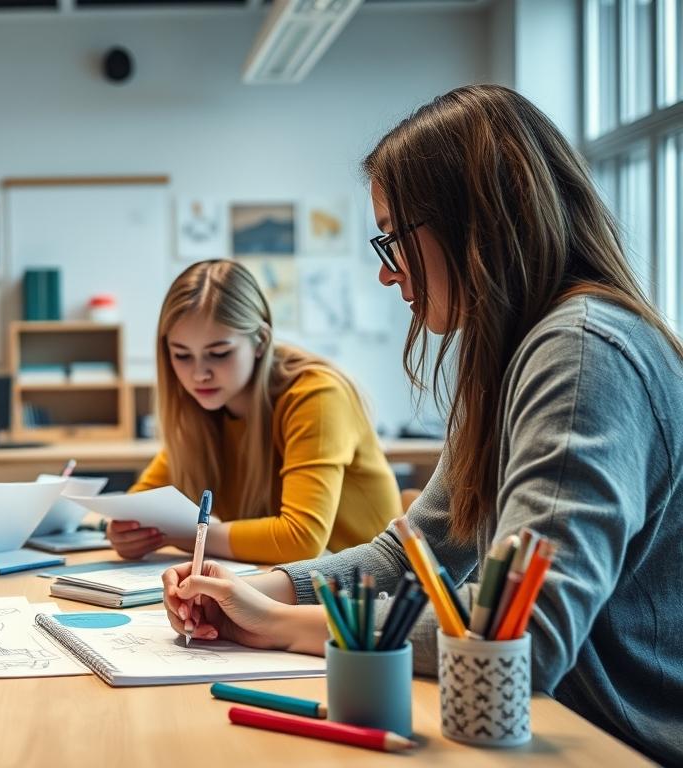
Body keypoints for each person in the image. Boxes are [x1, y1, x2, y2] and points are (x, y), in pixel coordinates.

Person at [160, 85, 683, 765]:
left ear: (476, 220)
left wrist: (285, 626)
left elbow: (521, 634)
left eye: (393, 238)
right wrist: (252, 591)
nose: (387, 273)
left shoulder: (579, 354)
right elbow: (410, 554)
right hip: (553, 727)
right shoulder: (514, 351)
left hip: (620, 744)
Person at [107, 259, 400, 564]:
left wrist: (177, 536)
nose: (198, 374)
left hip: (368, 595)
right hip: (286, 586)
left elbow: (300, 540)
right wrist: (125, 532)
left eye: (218, 354)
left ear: (260, 341)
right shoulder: (205, 409)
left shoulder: (317, 394)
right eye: (182, 355)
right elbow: (140, 506)